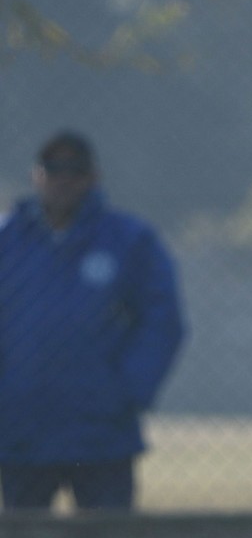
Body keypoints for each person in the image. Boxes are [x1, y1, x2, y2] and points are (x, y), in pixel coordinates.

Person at [0, 132, 185, 512]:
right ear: (36, 175)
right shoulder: (8, 240)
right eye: (53, 168)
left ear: (93, 176)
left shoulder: (129, 240)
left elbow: (162, 320)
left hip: (101, 433)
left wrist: (127, 390)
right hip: (21, 432)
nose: (63, 178)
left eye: (75, 169)